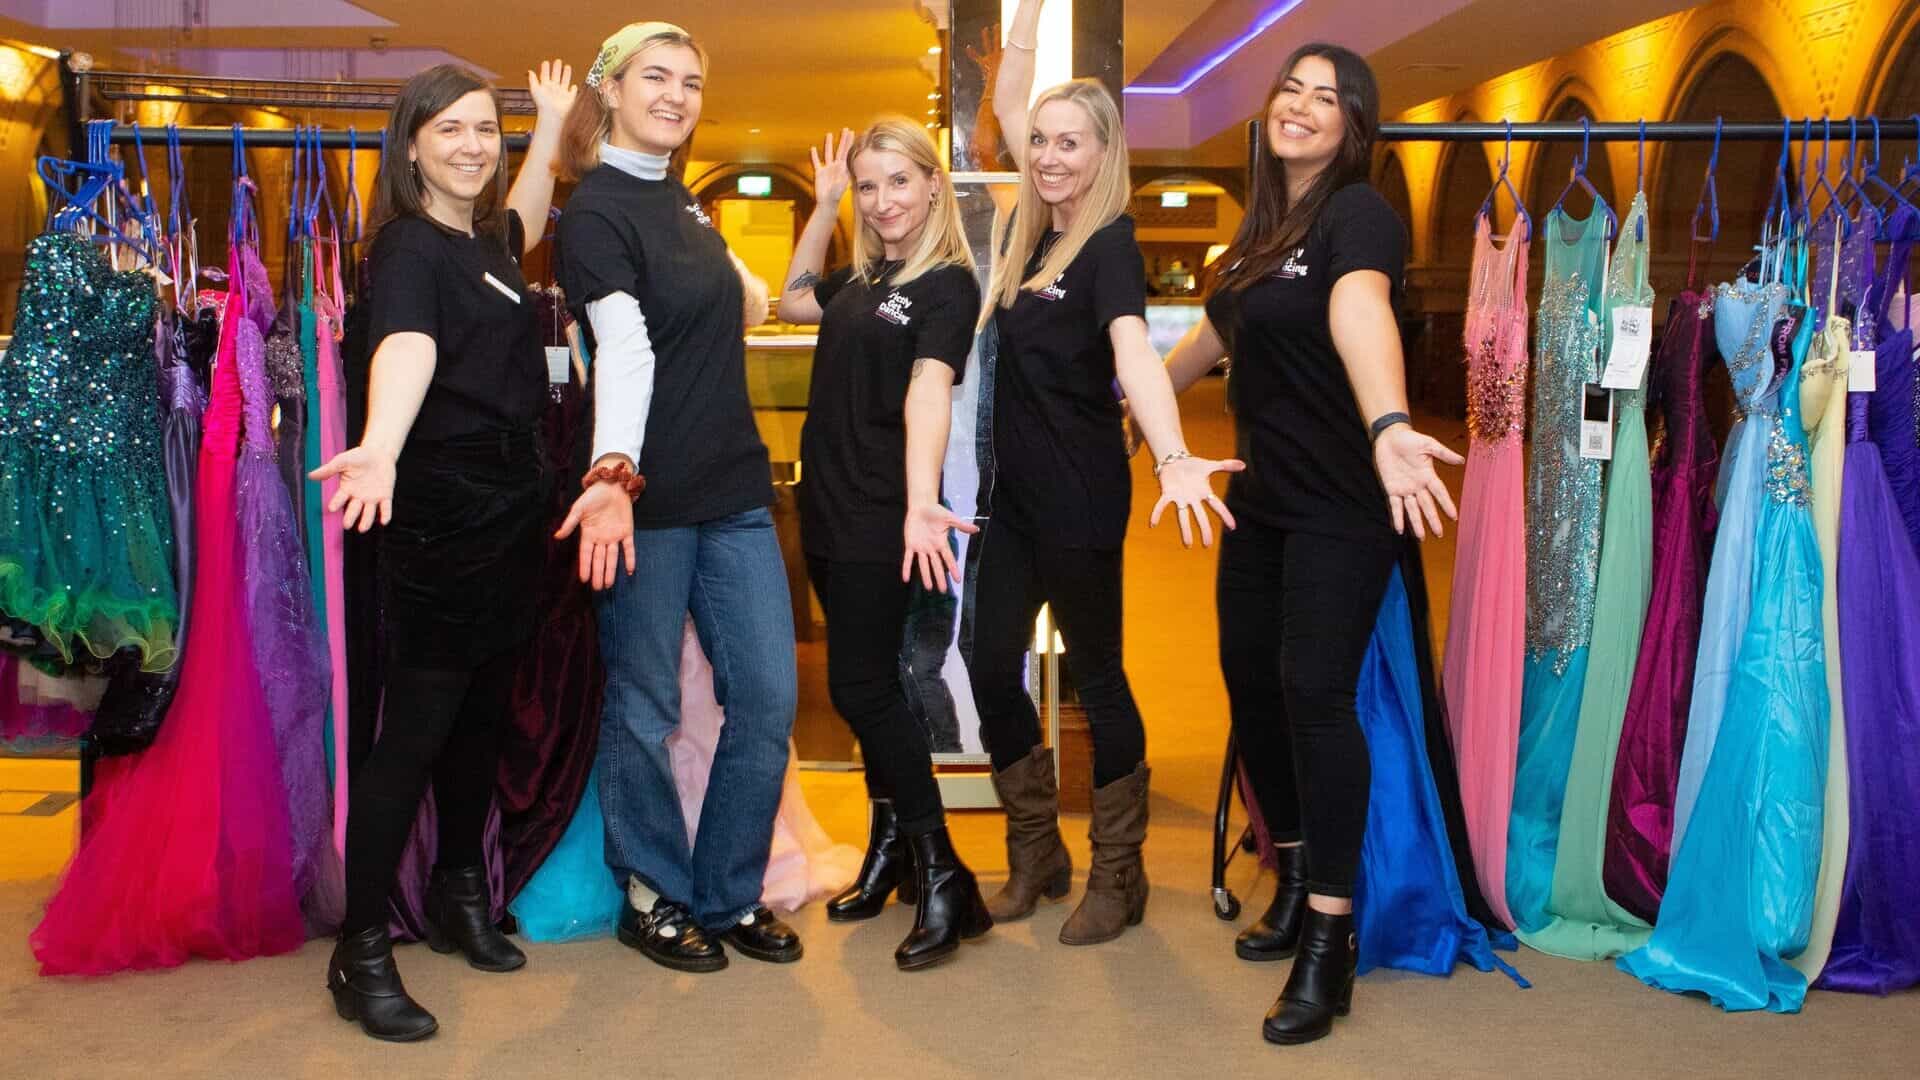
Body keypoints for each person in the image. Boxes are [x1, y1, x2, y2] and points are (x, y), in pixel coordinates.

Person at [1161, 44, 1463, 1044]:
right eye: (1291, 88)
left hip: (1343, 500)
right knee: (1250, 681)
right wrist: (1137, 419)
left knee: (1315, 694)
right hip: (1262, 501)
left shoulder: (1356, 215)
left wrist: (1385, 425)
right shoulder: (1256, 234)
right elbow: (1203, 345)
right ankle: (1293, 868)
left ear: (1353, 126)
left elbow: (1356, 307)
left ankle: (1329, 938)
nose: (1300, 106)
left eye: (1326, 98)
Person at [312, 59, 576, 1042]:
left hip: (513, 503)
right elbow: (407, 347)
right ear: (411, 143)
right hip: (441, 505)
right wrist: (378, 445)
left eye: (484, 129)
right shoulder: (410, 249)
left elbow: (530, 213)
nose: (472, 145)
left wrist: (545, 124)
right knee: (414, 735)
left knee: (480, 718)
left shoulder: (491, 239)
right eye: (450, 130)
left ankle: (463, 891)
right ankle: (361, 948)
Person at [968, 0, 1241, 948]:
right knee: (984, 658)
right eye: (1039, 142)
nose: (1047, 156)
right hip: (1011, 501)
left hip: (1082, 499)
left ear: (1103, 152)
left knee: (1099, 676)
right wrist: (1029, 17)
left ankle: (1117, 875)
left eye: (1068, 143)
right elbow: (1006, 95)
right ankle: (1037, 850)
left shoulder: (1110, 243)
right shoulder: (1032, 232)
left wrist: (1172, 456)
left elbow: (1132, 354)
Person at [551, 20, 801, 975]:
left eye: (692, 82)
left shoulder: (687, 207)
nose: (677, 95)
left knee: (767, 700)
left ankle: (729, 892)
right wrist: (613, 473)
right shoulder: (596, 212)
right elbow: (625, 347)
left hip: (735, 493)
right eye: (656, 77)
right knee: (646, 705)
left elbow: (750, 302)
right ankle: (652, 893)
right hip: (645, 505)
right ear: (607, 89)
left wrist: (733, 269)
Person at [774, 119, 991, 970]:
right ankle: (890, 849)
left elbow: (930, 393)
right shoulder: (865, 276)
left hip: (880, 511)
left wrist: (918, 503)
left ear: (933, 185)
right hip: (825, 507)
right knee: (867, 686)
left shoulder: (946, 285)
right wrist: (823, 205)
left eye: (899, 181)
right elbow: (792, 300)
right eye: (869, 185)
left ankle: (942, 870)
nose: (884, 200)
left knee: (866, 688)